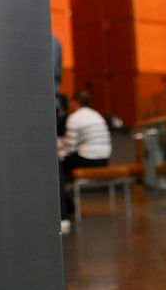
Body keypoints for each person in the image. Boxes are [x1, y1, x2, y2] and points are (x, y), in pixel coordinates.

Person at [59, 89, 112, 229]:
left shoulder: (75, 117)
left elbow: (70, 147)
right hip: (104, 160)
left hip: (88, 159)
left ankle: (64, 210)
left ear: (75, 102)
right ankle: (68, 205)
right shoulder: (97, 114)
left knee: (58, 166)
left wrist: (60, 145)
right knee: (64, 164)